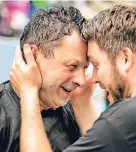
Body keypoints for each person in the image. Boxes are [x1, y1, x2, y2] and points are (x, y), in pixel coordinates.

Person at [10, 3, 136, 152]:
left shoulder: (129, 119)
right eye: (73, 66)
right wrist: (83, 104)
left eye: (96, 65)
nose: (92, 79)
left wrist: (29, 91)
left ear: (126, 59)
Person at [0, 5, 98, 152]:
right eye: (72, 66)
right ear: (33, 56)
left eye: (85, 68)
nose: (81, 80)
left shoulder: (77, 110)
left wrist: (85, 105)